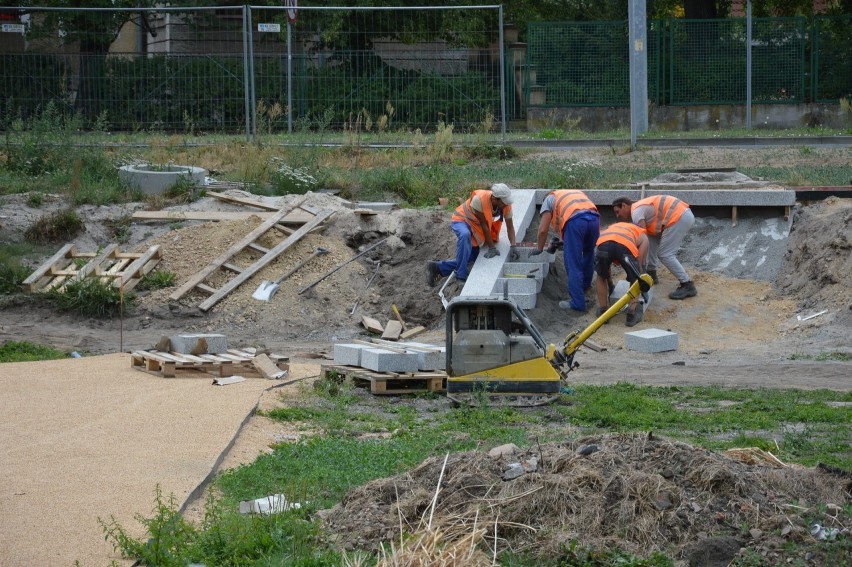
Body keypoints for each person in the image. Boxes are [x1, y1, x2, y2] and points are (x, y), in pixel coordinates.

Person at [426, 183, 516, 286]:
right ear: (495, 199)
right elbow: (484, 225)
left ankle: (438, 268)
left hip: (475, 226)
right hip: (461, 219)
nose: (506, 205)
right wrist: (492, 248)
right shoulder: (479, 200)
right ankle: (460, 276)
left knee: (472, 257)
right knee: (465, 235)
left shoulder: (506, 205)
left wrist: (513, 246)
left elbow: (510, 227)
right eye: (504, 202)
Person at [612, 195, 697, 300]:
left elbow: (641, 241)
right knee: (651, 237)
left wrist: (637, 268)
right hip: (681, 215)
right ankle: (651, 272)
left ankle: (687, 284)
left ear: (624, 206)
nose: (617, 216)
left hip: (678, 216)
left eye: (617, 212)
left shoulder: (636, 212)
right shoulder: (640, 209)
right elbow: (647, 239)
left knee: (665, 254)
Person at [530, 189, 599, 312]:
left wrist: (539, 248)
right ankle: (584, 291)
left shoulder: (549, 199)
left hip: (575, 222)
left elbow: (542, 230)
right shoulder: (572, 194)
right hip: (594, 220)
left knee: (573, 263)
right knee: (588, 256)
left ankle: (577, 303)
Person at [594, 222, 649, 327]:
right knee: (635, 279)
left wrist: (610, 284)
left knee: (601, 276)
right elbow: (640, 262)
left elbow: (606, 268)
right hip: (625, 245)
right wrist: (641, 281)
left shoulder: (613, 227)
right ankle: (631, 315)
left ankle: (603, 311)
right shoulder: (643, 235)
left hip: (603, 243)